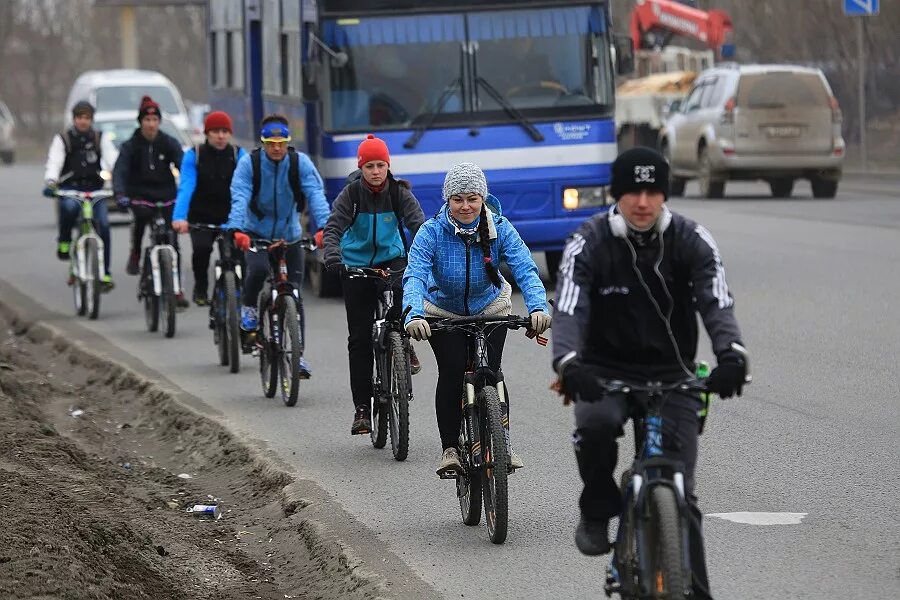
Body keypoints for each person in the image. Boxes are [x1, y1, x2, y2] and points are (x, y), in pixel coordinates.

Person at [551, 147, 749, 599]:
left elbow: (716, 301)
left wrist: (732, 354)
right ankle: (599, 506)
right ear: (616, 196)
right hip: (604, 371)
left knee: (681, 490)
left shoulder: (691, 239)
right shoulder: (591, 241)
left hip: (674, 373)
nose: (643, 202)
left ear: (665, 195)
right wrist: (568, 363)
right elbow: (567, 308)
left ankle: (692, 590)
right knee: (596, 425)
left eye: (653, 191)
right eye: (633, 192)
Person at [402, 162, 551, 475]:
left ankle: (502, 442)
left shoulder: (500, 227)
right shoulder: (431, 231)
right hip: (443, 313)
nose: (465, 206)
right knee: (454, 370)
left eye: (472, 198)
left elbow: (525, 268)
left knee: (491, 373)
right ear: (447, 201)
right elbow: (415, 274)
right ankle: (450, 449)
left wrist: (538, 307)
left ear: (483, 198)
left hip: (490, 308)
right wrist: (413, 314)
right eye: (458, 199)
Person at [322, 134, 425, 435]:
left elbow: (419, 225)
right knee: (359, 340)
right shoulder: (351, 195)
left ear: (388, 166)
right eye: (370, 166)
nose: (376, 171)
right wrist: (333, 257)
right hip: (357, 266)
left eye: (381, 165)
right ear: (361, 167)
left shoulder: (399, 193)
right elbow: (333, 227)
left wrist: (425, 256)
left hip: (392, 262)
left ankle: (402, 343)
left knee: (403, 299)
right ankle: (362, 410)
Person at [223, 114, 331, 378]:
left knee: (294, 293)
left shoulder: (299, 163)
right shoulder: (250, 164)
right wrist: (236, 229)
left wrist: (325, 227)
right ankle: (249, 310)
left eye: (281, 142)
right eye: (271, 143)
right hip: (255, 234)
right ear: (263, 142)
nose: (276, 148)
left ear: (287, 142)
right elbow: (239, 196)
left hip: (290, 234)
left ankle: (298, 355)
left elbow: (315, 195)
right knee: (258, 271)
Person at [112, 95, 188, 307]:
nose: (151, 124)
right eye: (147, 120)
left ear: (159, 122)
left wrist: (189, 192)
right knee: (141, 223)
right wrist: (120, 194)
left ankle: (177, 288)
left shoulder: (168, 142)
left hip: (166, 196)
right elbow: (120, 171)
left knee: (173, 241)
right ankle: (136, 252)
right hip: (140, 196)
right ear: (141, 122)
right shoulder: (131, 146)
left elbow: (184, 166)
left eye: (155, 120)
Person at [172, 111, 248, 305]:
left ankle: (239, 293)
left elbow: (248, 187)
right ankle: (201, 286)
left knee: (238, 254)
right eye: (215, 131)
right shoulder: (194, 155)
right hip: (201, 215)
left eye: (224, 131)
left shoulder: (238, 154)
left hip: (231, 216)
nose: (221, 136)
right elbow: (186, 186)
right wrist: (179, 216)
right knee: (201, 250)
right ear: (207, 133)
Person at [43, 100, 118, 290]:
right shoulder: (64, 139)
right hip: (71, 188)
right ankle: (65, 241)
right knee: (68, 208)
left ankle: (105, 272)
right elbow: (54, 162)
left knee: (104, 226)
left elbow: (113, 161)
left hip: (95, 189)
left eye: (87, 118)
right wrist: (51, 181)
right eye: (79, 118)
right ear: (74, 119)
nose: (83, 122)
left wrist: (119, 181)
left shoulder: (101, 138)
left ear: (92, 120)